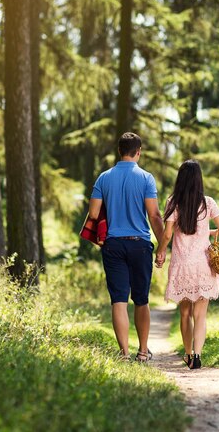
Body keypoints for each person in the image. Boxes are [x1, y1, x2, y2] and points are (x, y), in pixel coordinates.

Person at [87, 132, 164, 362]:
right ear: (138, 152)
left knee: (118, 300)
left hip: (113, 245)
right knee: (141, 299)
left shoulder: (104, 178)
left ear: (120, 151)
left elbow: (93, 213)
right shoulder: (146, 178)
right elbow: (154, 215)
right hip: (140, 244)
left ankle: (124, 354)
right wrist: (163, 246)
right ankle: (142, 352)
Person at [155, 160, 219, 369]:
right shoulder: (208, 203)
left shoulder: (173, 202)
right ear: (199, 180)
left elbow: (168, 234)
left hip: (182, 265)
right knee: (200, 315)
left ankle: (187, 355)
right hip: (204, 265)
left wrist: (160, 251)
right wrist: (209, 231)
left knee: (185, 313)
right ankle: (197, 356)